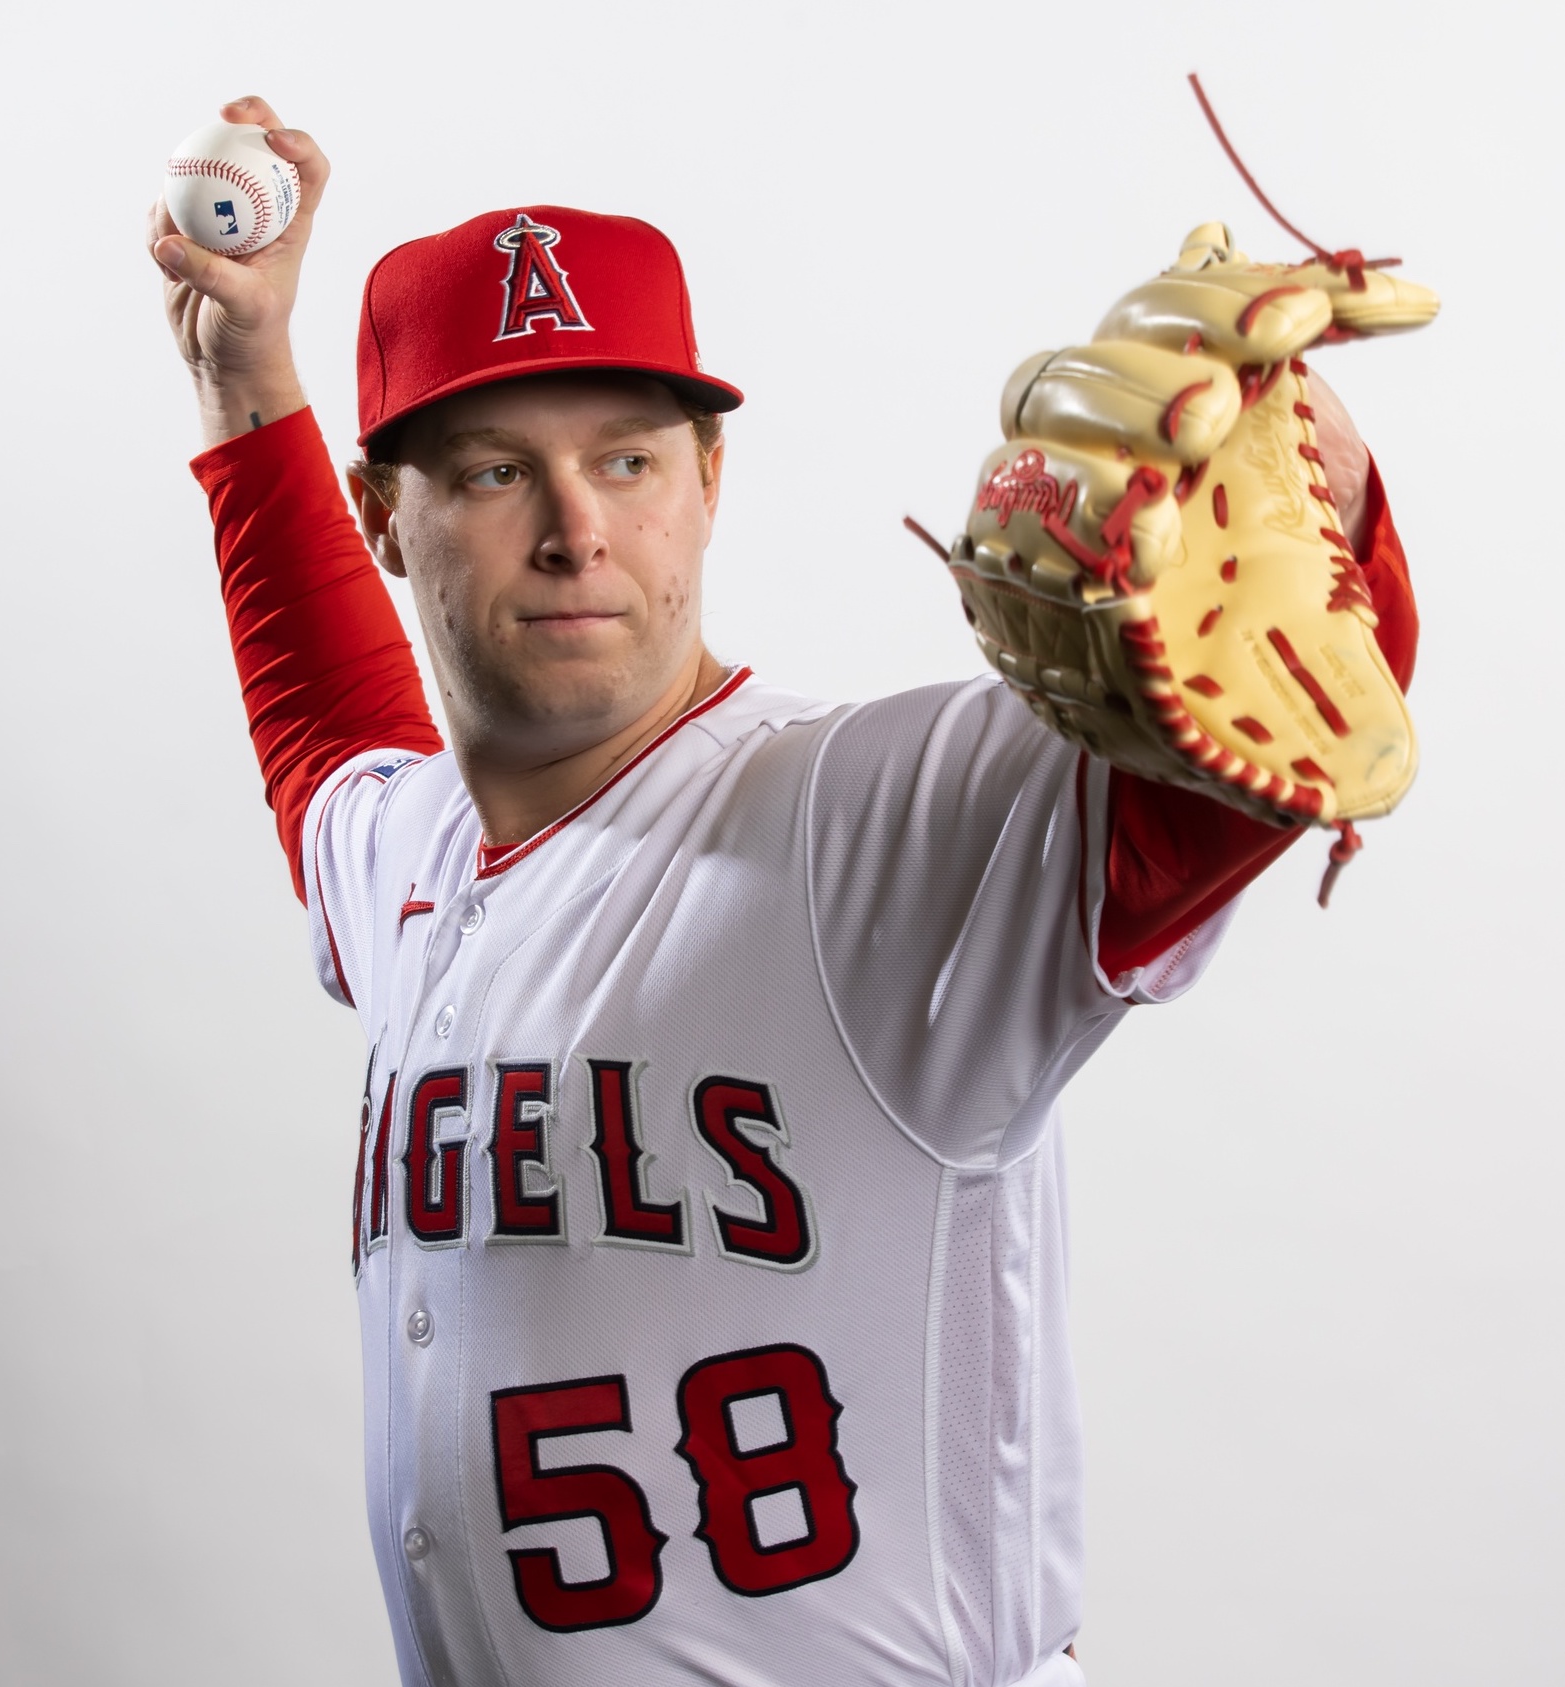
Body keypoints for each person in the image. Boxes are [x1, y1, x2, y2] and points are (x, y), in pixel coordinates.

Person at [149, 94, 1420, 1687]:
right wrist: (239, 375)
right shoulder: (405, 850)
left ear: (709, 476)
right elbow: (327, 734)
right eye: (490, 471)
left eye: (627, 457)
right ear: (379, 518)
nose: (576, 531)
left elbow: (1217, 772)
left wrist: (1331, 505)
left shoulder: (872, 816)